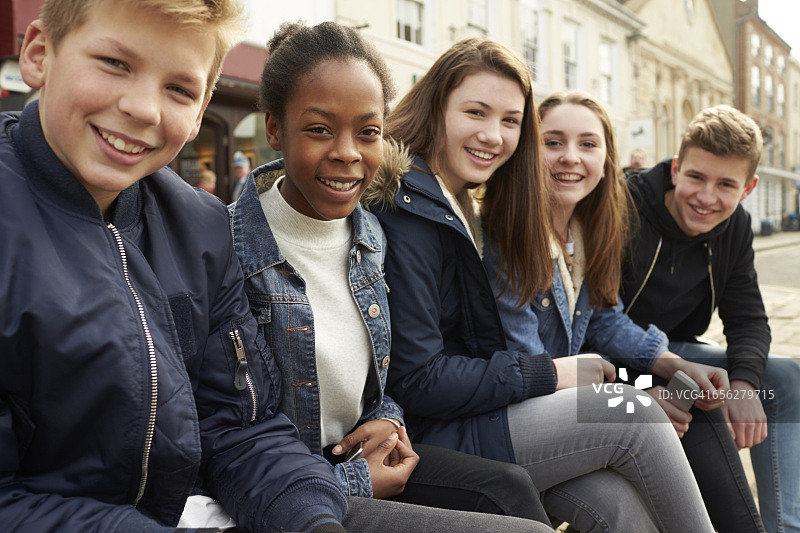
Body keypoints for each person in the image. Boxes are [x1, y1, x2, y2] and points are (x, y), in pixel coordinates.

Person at [0, 1, 350, 531]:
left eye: (179, 89)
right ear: (39, 54)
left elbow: (240, 427)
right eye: (115, 63)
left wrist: (311, 517)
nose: (144, 109)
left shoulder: (202, 227)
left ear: (202, 109)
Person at [367, 38, 716, 532]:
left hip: (486, 410)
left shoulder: (459, 203)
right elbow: (420, 379)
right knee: (635, 412)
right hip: (437, 432)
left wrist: (661, 362)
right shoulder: (413, 209)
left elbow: (598, 319)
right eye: (475, 112)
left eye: (510, 120)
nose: (493, 135)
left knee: (619, 506)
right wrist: (554, 375)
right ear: (436, 107)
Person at [227, 21, 552, 533]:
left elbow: (382, 378)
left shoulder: (371, 237)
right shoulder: (228, 246)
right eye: (319, 129)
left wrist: (388, 418)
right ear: (274, 129)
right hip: (294, 489)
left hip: (365, 458)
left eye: (368, 132)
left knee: (513, 488)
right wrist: (353, 479)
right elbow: (231, 436)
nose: (348, 152)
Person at [484, 91, 764, 532]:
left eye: (588, 144)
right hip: (520, 410)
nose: (570, 157)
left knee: (698, 391)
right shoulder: (512, 230)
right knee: (646, 417)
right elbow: (534, 368)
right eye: (553, 142)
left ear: (606, 161)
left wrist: (674, 363)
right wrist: (634, 394)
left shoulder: (585, 229)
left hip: (579, 392)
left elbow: (604, 319)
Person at [621, 104, 800, 533]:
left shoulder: (735, 226)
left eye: (726, 185)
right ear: (676, 168)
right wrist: (646, 383)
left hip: (680, 358)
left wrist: (744, 384)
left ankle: (785, 527)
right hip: (614, 361)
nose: (706, 197)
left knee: (783, 377)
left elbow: (748, 317)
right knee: (694, 389)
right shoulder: (625, 205)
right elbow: (592, 321)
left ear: (748, 188)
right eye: (696, 177)